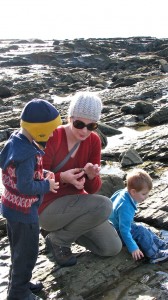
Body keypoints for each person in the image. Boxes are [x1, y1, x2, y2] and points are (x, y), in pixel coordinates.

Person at [39, 91, 122, 267]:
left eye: (91, 126)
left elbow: (93, 189)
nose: (84, 130)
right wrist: (62, 178)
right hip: (46, 207)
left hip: (78, 207)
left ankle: (60, 233)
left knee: (111, 248)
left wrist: (92, 176)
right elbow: (35, 176)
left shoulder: (94, 142)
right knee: (105, 205)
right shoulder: (53, 137)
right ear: (69, 118)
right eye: (79, 124)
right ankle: (59, 240)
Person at [0, 99, 62, 300]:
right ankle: (18, 293)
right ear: (40, 130)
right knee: (27, 254)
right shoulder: (27, 155)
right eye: (51, 131)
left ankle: (19, 284)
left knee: (18, 251)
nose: (53, 135)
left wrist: (42, 173)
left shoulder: (16, 142)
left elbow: (19, 174)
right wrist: (47, 185)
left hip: (11, 207)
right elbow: (25, 186)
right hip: (24, 212)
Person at [109, 168, 168, 264]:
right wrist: (133, 247)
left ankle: (162, 245)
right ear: (133, 192)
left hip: (113, 227)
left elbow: (110, 202)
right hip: (116, 234)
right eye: (144, 194)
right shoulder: (126, 207)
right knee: (140, 231)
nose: (147, 196)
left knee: (142, 227)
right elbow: (124, 230)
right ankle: (154, 255)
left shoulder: (124, 192)